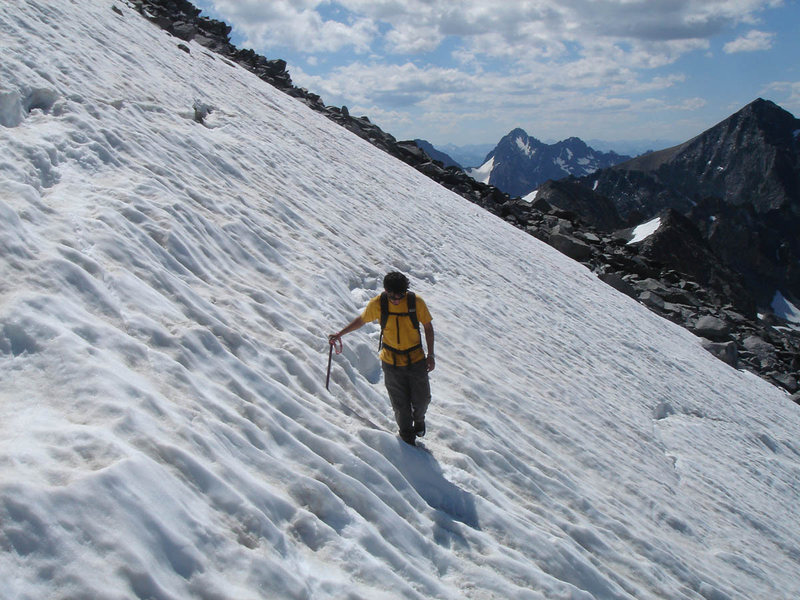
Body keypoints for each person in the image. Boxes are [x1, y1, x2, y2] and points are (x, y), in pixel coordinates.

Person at [329, 271, 435, 446]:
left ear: (405, 291)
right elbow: (361, 320)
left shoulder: (415, 302)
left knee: (422, 399)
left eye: (400, 295)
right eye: (392, 295)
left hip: (416, 359)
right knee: (400, 406)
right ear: (386, 290)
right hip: (391, 361)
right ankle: (408, 441)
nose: (395, 299)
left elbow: (428, 327)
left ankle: (419, 419)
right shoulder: (378, 304)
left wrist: (430, 355)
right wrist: (340, 334)